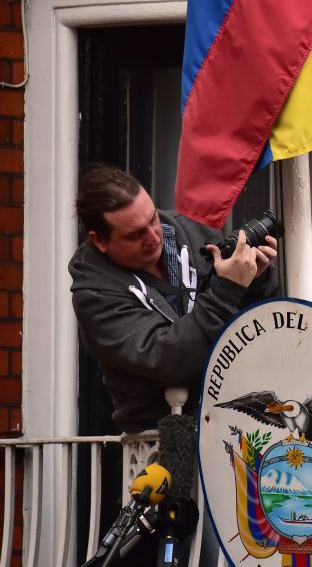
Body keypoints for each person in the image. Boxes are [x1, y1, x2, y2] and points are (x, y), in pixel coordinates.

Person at [69, 164, 280, 433]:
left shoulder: (195, 231)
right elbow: (171, 360)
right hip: (159, 443)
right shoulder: (95, 295)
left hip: (238, 427)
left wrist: (255, 279)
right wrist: (229, 288)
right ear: (99, 241)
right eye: (135, 235)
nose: (153, 237)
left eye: (153, 219)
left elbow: (259, 324)